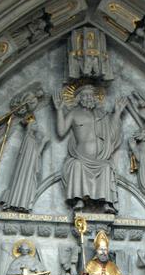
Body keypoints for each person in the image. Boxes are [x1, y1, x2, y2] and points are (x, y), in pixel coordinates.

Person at [53, 85, 128, 213]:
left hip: (100, 159)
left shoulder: (102, 115)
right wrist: (59, 110)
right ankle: (78, 199)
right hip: (81, 157)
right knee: (77, 165)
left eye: (91, 95)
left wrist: (117, 113)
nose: (89, 97)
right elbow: (61, 131)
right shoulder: (74, 113)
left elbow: (111, 134)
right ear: (79, 98)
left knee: (106, 167)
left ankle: (107, 202)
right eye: (85, 95)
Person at [1, 117, 49, 212]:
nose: (38, 126)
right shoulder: (29, 139)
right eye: (34, 125)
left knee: (28, 184)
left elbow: (35, 154)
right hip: (26, 169)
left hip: (29, 169)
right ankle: (17, 203)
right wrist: (43, 142)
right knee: (24, 182)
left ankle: (22, 203)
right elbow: (35, 155)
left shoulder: (32, 141)